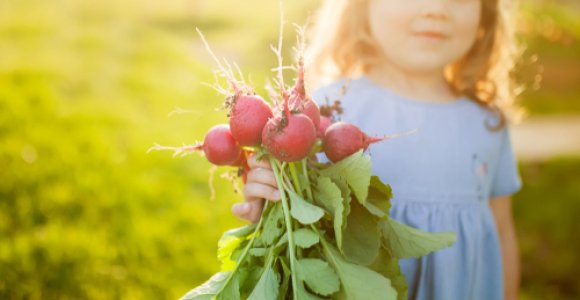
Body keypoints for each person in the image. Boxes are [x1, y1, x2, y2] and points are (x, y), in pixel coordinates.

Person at [232, 0, 524, 299]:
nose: (437, 9)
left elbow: (501, 231)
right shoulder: (326, 111)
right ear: (362, 7)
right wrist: (269, 197)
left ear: (485, 13)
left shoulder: (488, 122)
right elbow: (297, 213)